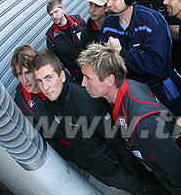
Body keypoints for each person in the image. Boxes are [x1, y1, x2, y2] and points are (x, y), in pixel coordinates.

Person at [77, 44, 181, 195]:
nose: (83, 84)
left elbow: (178, 169)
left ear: (109, 80)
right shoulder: (126, 88)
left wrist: (180, 189)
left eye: (88, 78)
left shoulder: (143, 123)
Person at [33, 49, 163, 194]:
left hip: (117, 168)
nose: (45, 87)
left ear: (62, 76)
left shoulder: (85, 103)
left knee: (151, 190)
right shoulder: (52, 103)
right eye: (40, 81)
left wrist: (135, 173)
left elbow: (118, 139)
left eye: (48, 78)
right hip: (98, 169)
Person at [101, 0, 181, 116]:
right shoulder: (107, 25)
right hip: (134, 91)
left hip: (163, 87)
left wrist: (121, 52)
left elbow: (156, 65)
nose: (108, 4)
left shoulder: (152, 20)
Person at [45, 0, 85, 83]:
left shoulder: (78, 21)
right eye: (51, 14)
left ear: (63, 9)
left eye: (56, 12)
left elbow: (92, 40)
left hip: (92, 65)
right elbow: (56, 63)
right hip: (76, 75)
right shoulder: (51, 37)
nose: (54, 17)